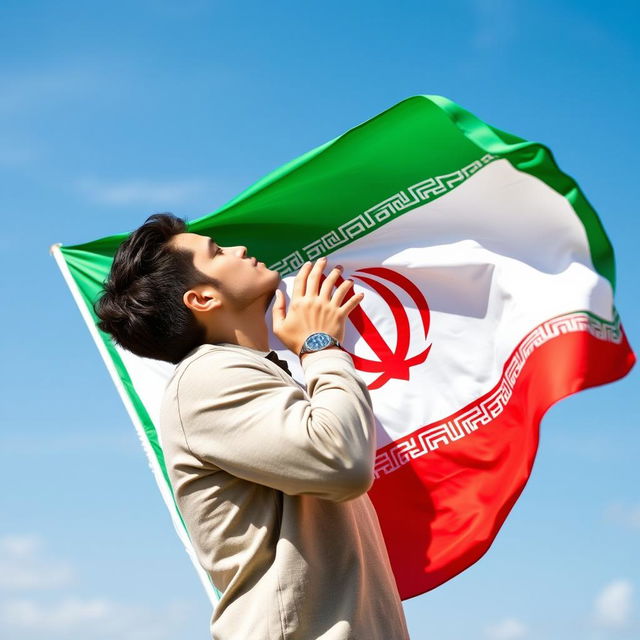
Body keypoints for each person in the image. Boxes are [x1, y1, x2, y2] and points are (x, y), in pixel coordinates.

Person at [94, 212, 410, 640]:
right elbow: (342, 463)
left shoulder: (253, 373)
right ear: (202, 299)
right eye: (217, 252)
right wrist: (321, 345)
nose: (239, 249)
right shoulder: (207, 378)